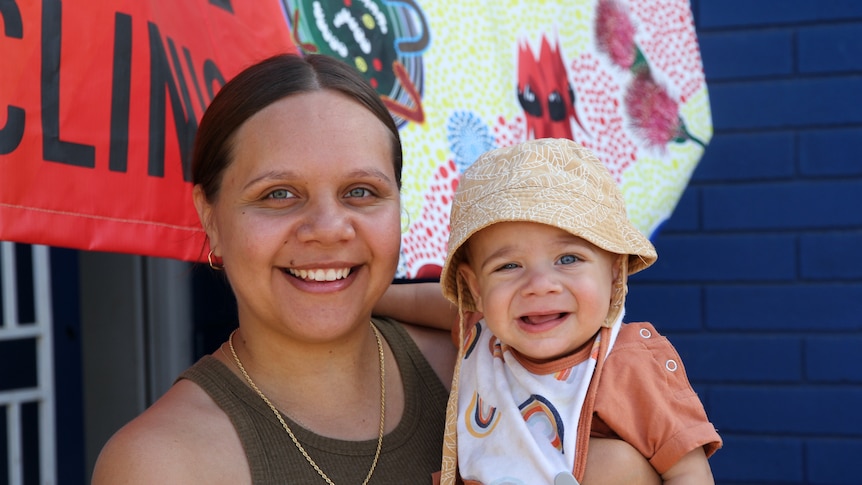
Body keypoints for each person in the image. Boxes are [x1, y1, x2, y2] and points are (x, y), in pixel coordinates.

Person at [92, 54, 661, 484]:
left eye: (361, 191)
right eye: (279, 194)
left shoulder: (494, 369)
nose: (328, 227)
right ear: (210, 219)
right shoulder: (162, 463)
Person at [431, 138, 722, 484]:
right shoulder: (482, 340)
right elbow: (437, 306)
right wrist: (375, 300)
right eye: (508, 266)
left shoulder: (629, 364)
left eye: (568, 259)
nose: (539, 285)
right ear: (475, 288)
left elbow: (690, 473)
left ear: (615, 272)